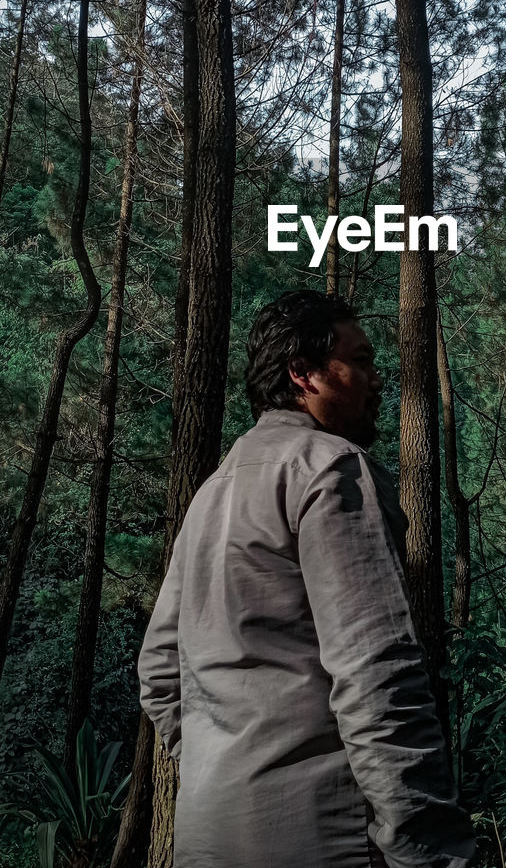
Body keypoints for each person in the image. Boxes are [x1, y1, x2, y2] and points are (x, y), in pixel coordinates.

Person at [138, 289, 476, 868]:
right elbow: (377, 674)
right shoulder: (331, 469)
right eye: (362, 362)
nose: (376, 381)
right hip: (317, 836)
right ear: (304, 374)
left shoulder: (213, 491)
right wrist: (429, 852)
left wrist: (225, 759)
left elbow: (159, 674)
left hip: (208, 834)